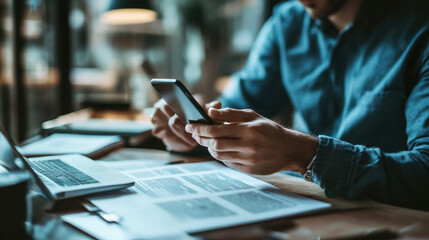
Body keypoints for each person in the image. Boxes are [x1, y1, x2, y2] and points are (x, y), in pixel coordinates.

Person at [151, 0, 429, 211]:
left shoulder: (419, 30)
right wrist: (196, 130)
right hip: (302, 207)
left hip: (392, 218)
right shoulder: (287, 24)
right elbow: (232, 112)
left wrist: (303, 154)